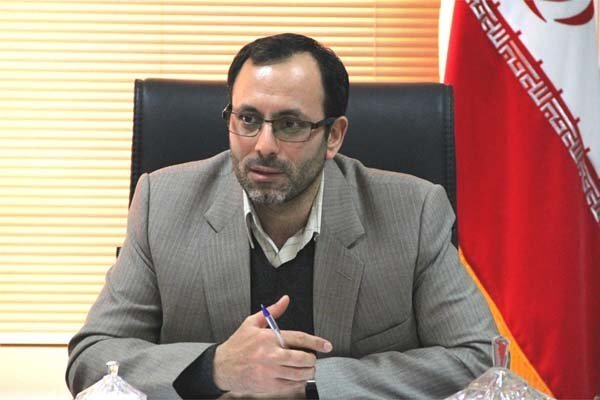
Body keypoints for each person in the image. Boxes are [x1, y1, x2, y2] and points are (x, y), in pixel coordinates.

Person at [66, 33, 497, 399]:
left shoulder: (413, 212)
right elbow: (92, 358)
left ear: (334, 136)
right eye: (248, 119)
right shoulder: (162, 203)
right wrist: (214, 367)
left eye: (290, 124)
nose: (264, 145)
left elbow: (480, 359)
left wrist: (309, 382)